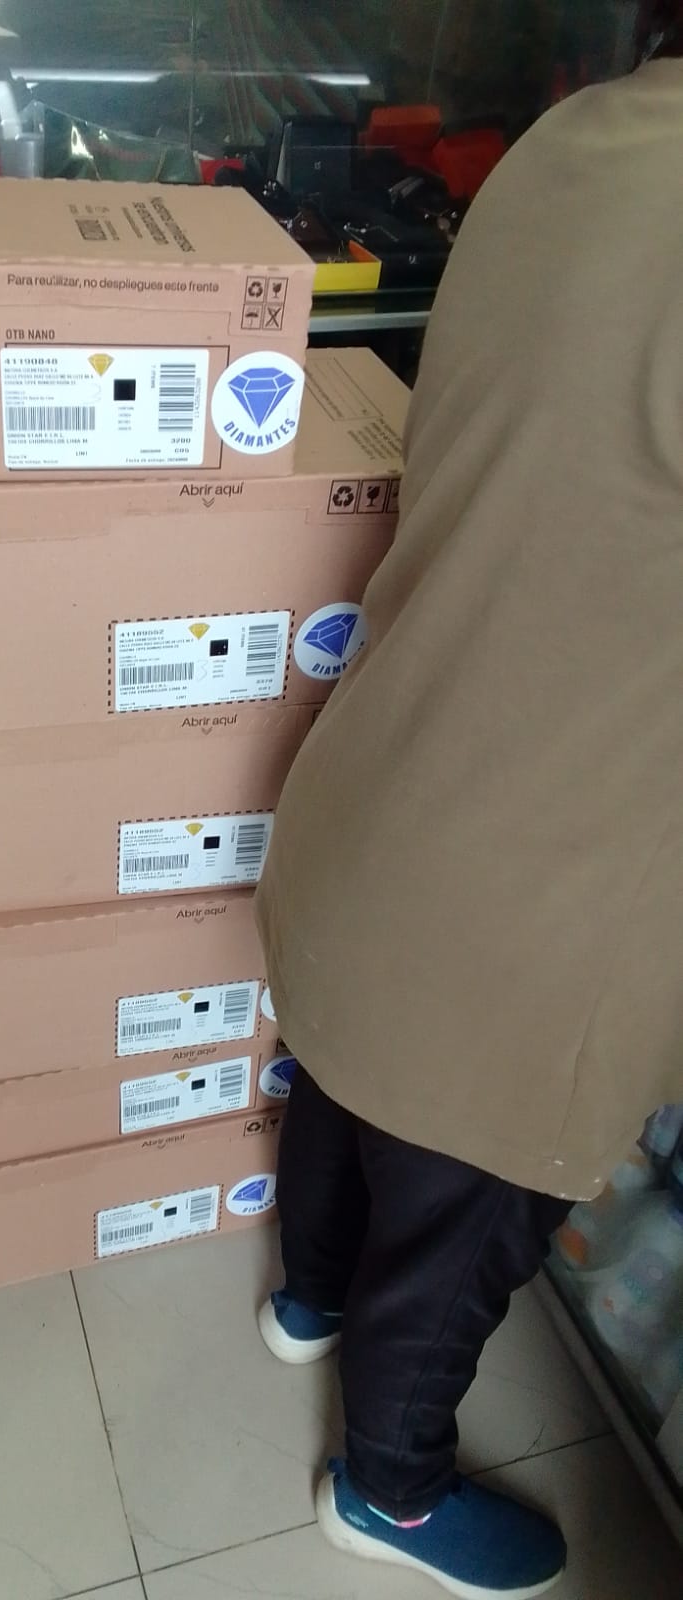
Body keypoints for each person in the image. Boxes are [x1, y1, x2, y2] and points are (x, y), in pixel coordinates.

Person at [254, 8, 683, 1598]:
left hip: (383, 779)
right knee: (460, 1216)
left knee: (343, 1073)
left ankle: (304, 1299)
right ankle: (391, 1493)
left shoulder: (582, 137)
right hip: (538, 881)